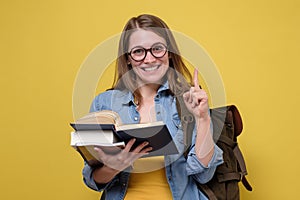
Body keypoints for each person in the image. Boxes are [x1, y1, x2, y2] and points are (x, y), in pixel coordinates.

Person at [82, 14, 223, 200]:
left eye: (157, 49)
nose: (149, 59)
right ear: (128, 59)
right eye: (139, 51)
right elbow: (94, 180)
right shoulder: (104, 104)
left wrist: (203, 118)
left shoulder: (188, 99)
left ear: (169, 53)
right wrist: (114, 167)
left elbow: (204, 175)